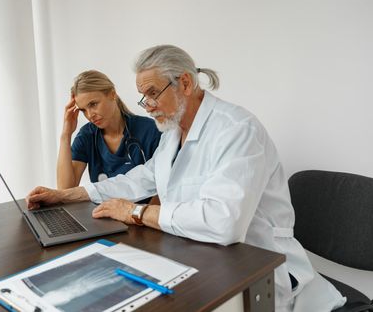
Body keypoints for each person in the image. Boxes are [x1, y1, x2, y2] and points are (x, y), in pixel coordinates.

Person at [28, 45, 345, 311]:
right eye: (143, 97)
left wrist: (137, 212)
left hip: (260, 268)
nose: (148, 106)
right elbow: (140, 178)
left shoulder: (236, 130)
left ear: (185, 83)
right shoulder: (172, 133)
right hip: (202, 256)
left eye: (153, 94)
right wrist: (68, 195)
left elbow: (224, 223)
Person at [57, 70, 161, 193]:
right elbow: (65, 190)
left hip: (140, 211)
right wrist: (65, 135)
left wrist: (138, 212)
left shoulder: (150, 130)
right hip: (101, 211)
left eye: (93, 104)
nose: (90, 115)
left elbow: (163, 188)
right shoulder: (87, 135)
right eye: (83, 110)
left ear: (112, 94)